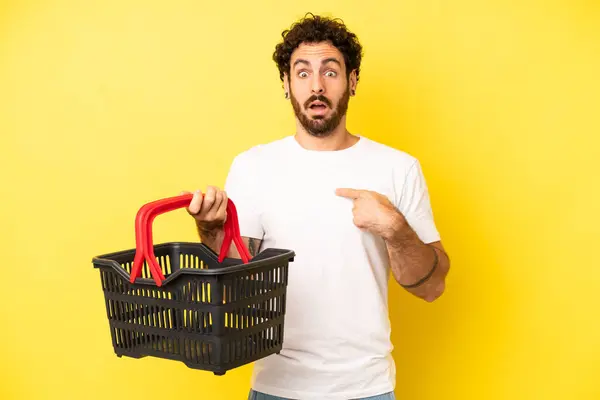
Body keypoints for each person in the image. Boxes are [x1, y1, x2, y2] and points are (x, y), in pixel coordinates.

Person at [184, 13, 450, 400]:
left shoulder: (397, 167)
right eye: (303, 73)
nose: (317, 86)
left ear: (352, 81)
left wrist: (395, 227)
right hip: (276, 387)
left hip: (367, 388)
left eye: (331, 71)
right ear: (287, 84)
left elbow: (432, 287)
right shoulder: (253, 166)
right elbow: (233, 286)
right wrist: (210, 230)